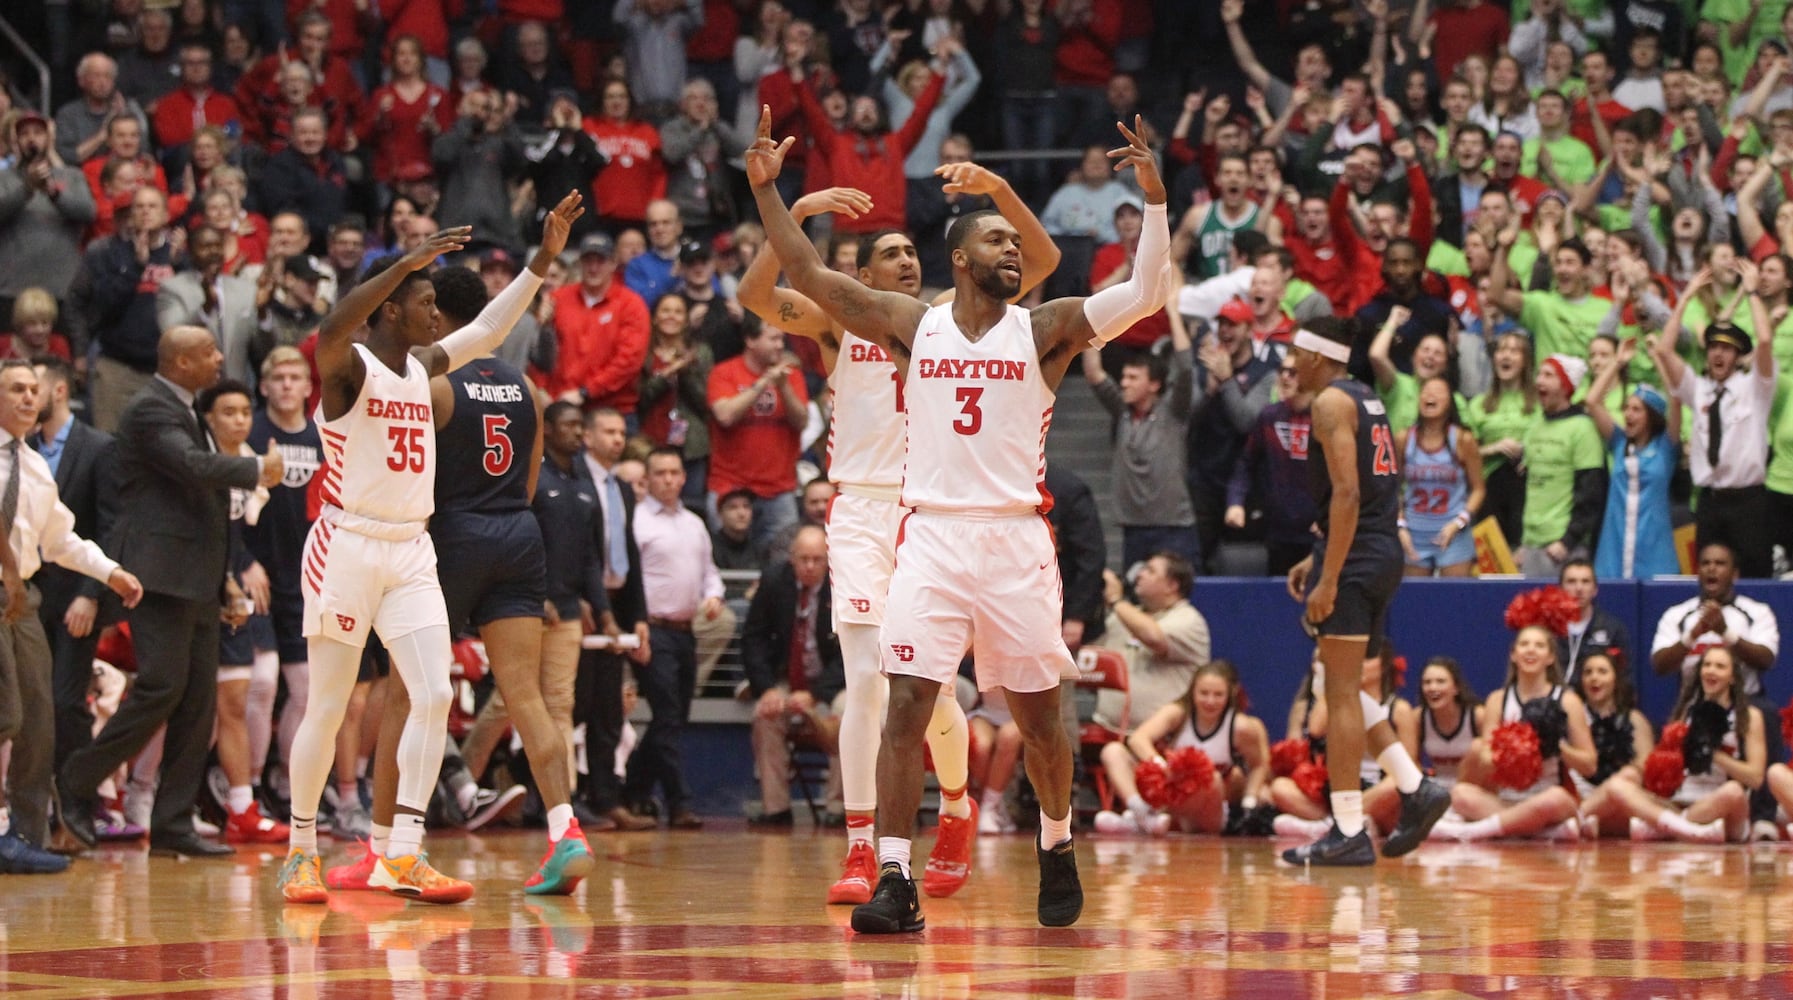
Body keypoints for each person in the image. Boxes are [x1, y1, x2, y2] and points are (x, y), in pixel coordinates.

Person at [747, 110, 1179, 932]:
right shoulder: (913, 325)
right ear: (958, 259)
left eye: (1015, 244)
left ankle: (1055, 842)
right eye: (994, 241)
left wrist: (1153, 205)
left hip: (1016, 539)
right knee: (903, 700)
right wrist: (768, 189)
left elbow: (1144, 292)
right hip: (932, 536)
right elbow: (804, 268)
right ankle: (897, 878)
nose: (1011, 251)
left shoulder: (1045, 329)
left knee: (1040, 719)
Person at [737, 168, 1058, 905]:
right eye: (890, 254)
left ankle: (953, 806)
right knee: (862, 685)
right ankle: (859, 848)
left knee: (931, 695)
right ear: (860, 273)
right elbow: (757, 296)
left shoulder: (946, 318)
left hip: (927, 514)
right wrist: (798, 205)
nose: (906, 262)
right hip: (856, 511)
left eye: (914, 252)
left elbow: (1034, 266)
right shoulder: (836, 323)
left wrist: (1000, 195)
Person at [274, 193, 579, 906]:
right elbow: (332, 321)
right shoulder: (346, 365)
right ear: (389, 308)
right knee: (326, 705)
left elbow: (490, 325)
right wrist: (401, 263)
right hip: (346, 544)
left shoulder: (425, 366)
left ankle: (402, 856)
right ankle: (299, 850)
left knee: (435, 693)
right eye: (422, 300)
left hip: (412, 550)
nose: (435, 313)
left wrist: (541, 259)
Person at [57, 327, 279, 856]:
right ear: (181, 362)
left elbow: (201, 505)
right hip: (159, 576)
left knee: (197, 701)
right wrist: (256, 468)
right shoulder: (150, 410)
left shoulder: (183, 408)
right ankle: (75, 779)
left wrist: (224, 576)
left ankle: (174, 821)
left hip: (197, 577)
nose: (220, 358)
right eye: (208, 352)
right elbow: (195, 469)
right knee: (161, 687)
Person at [1282, 315, 1451, 865]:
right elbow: (1371, 494)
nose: (1290, 365)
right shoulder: (1367, 398)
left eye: (1296, 354)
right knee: (1348, 686)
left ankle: (1349, 829)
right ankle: (1414, 787)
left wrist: (1329, 576)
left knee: (1336, 691)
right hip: (1378, 553)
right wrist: (1318, 556)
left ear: (1318, 356)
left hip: (1355, 560)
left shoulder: (1330, 402)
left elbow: (1349, 494)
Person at [0, 360, 138, 872]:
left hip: (23, 600)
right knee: (6, 715)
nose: (27, 398)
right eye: (15, 389)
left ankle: (24, 836)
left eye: (33, 390)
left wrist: (111, 573)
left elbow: (61, 540)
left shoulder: (34, 465)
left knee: (40, 720)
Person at [1651, 266, 1777, 579]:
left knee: (1755, 577)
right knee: (1708, 581)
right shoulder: (1700, 390)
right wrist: (1685, 299)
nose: (1718, 355)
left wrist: (1751, 292)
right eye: (1713, 348)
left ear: (1737, 356)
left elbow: (1763, 340)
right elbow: (1664, 350)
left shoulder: (1755, 388)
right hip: (1710, 500)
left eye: (1727, 349)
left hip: (1748, 500)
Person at [625, 447, 723, 829]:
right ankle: (679, 802)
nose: (668, 479)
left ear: (684, 477)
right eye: (660, 472)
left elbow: (709, 571)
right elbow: (630, 581)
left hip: (686, 632)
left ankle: (633, 790)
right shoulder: (636, 522)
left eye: (674, 472)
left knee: (673, 720)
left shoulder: (694, 523)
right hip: (653, 630)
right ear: (647, 480)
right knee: (667, 716)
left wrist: (713, 595)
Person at [243, 348, 321, 822]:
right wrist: (242, 562)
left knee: (307, 690)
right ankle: (247, 785)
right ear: (265, 386)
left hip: (305, 581)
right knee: (262, 682)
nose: (289, 384)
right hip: (257, 576)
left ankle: (285, 785)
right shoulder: (250, 433)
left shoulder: (321, 437)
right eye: (279, 377)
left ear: (309, 388)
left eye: (297, 377)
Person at [1429, 625, 1598, 842]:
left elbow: (1590, 765)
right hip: (1506, 799)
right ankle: (1542, 831)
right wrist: (1514, 749)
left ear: (1550, 657)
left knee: (1555, 799)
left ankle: (1475, 831)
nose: (1530, 650)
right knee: (1460, 794)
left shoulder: (1567, 700)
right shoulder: (1498, 699)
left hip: (1547, 797)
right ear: (1513, 654)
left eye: (1539, 645)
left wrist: (1557, 746)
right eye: (1524, 644)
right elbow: (1485, 756)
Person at [576, 407, 656, 831]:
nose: (617, 438)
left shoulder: (622, 488)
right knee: (576, 707)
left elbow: (629, 551)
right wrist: (578, 598)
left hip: (617, 602)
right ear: (587, 437)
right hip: (583, 606)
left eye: (621, 432)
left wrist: (637, 615)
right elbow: (573, 549)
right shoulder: (570, 477)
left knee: (609, 711)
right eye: (607, 431)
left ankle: (606, 800)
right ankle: (566, 801)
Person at [1604, 646, 1763, 843]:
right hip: (1681, 802)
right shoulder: (1685, 712)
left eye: (1720, 666)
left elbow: (1755, 778)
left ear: (1732, 677)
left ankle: (1668, 828)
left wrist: (1714, 755)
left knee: (1734, 792)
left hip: (1721, 804)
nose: (1711, 670)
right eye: (1707, 665)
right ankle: (1684, 827)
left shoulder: (1748, 716)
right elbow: (1663, 772)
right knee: (1618, 786)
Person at [1093, 661, 1269, 837]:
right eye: (1203, 693)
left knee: (1212, 778)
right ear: (1192, 691)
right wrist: (1163, 766)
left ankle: (1138, 825)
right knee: (1113, 751)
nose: (1210, 701)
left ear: (1230, 694)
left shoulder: (1241, 727)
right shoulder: (1178, 713)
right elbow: (1138, 739)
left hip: (1208, 812)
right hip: (1167, 798)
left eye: (1218, 695)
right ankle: (1141, 814)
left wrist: (1249, 802)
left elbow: (1258, 764)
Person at [1080, 312, 1197, 574]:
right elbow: (1093, 373)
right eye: (1124, 377)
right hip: (1134, 529)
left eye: (1133, 378)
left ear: (1154, 384)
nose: (1124, 383)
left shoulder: (1173, 413)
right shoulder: (1122, 412)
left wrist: (1174, 311)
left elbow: (1186, 369)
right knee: (1136, 595)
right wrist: (1091, 323)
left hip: (1174, 528)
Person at [743, 525, 845, 824]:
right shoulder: (775, 580)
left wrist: (815, 694)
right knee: (766, 716)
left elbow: (852, 652)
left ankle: (838, 808)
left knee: (849, 717)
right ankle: (776, 808)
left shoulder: (843, 586)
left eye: (817, 559)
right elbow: (753, 638)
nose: (810, 566)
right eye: (804, 559)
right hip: (787, 677)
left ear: (828, 561)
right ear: (792, 558)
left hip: (833, 684)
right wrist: (768, 689)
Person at [1584, 339, 1680, 580]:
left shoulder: (1666, 447)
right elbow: (1592, 401)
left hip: (1654, 546)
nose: (1628, 414)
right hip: (1614, 545)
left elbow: (1676, 400)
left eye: (1636, 409)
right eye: (1627, 408)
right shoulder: (1618, 443)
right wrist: (1617, 362)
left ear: (1651, 416)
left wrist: (1658, 359)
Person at [1517, 354, 1607, 579]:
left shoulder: (1583, 428)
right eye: (1539, 374)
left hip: (1561, 546)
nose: (1539, 381)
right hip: (1531, 542)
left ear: (1565, 385)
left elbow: (1591, 491)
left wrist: (1568, 541)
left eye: (1548, 375)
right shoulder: (1535, 424)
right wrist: (1524, 542)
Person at [1650, 542, 1779, 698]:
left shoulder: (1757, 611)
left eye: (1720, 563)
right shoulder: (1677, 614)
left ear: (1734, 574)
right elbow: (1659, 666)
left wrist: (1725, 632)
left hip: (1747, 703)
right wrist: (1692, 635)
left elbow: (1766, 660)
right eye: (1705, 563)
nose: (1712, 568)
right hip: (1694, 703)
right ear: (1698, 572)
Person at [1093, 556, 1210, 726]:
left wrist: (1116, 600)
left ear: (1172, 585)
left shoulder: (1189, 620)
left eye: (1150, 570)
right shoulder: (1121, 618)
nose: (1139, 574)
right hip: (1105, 730)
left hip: (1163, 738)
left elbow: (1154, 638)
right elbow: (1089, 659)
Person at [1396, 375, 1485, 578]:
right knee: (1415, 600)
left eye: (1438, 392)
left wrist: (1459, 522)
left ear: (1450, 402)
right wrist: (1400, 526)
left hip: (1453, 533)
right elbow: (1392, 487)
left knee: (1455, 601)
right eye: (1426, 391)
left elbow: (1479, 488)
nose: (1430, 396)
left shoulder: (1463, 439)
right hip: (1414, 533)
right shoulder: (1404, 438)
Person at [1571, 650, 1655, 840]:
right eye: (1588, 672)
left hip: (1621, 799)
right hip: (1581, 793)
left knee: (1629, 776)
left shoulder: (1634, 719)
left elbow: (1646, 767)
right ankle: (1581, 816)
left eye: (1602, 671)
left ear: (1616, 678)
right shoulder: (1572, 717)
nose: (1594, 678)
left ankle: (1576, 819)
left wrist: (1614, 784)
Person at [1556, 559, 1632, 690]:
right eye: (1571, 582)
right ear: (1560, 588)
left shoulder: (1613, 628)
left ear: (1595, 589)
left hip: (1596, 704)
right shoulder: (1547, 628)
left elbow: (1625, 678)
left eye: (1585, 582)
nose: (1579, 588)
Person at [1415, 657, 1486, 792]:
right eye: (1427, 682)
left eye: (1440, 682)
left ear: (1456, 688)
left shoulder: (1478, 716)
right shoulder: (1419, 718)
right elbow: (1411, 763)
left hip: (1471, 792)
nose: (1432, 688)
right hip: (1435, 792)